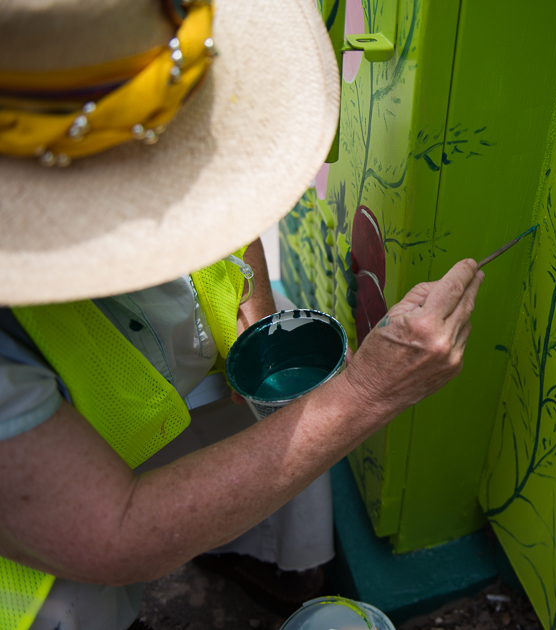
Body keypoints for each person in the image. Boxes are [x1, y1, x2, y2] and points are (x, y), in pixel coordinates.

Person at [0, 0, 484, 628]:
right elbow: (116, 531)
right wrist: (368, 394)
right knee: (73, 604)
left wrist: (253, 319)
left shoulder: (120, 45)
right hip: (38, 538)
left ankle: (264, 562)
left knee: (279, 403)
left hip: (162, 374)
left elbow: (230, 205)